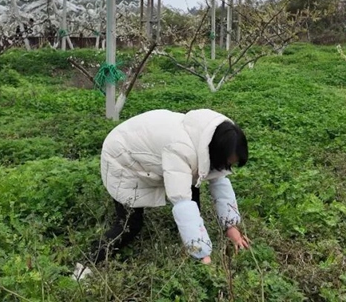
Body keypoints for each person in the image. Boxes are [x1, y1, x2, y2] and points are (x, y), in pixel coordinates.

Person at [73, 108, 250, 280]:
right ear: (216, 152)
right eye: (227, 163)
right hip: (123, 158)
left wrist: (231, 226)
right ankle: (86, 263)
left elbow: (219, 179)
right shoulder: (181, 149)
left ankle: (189, 242)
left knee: (192, 195)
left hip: (149, 146)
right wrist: (203, 254)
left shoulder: (216, 135)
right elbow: (182, 201)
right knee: (129, 225)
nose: (228, 168)